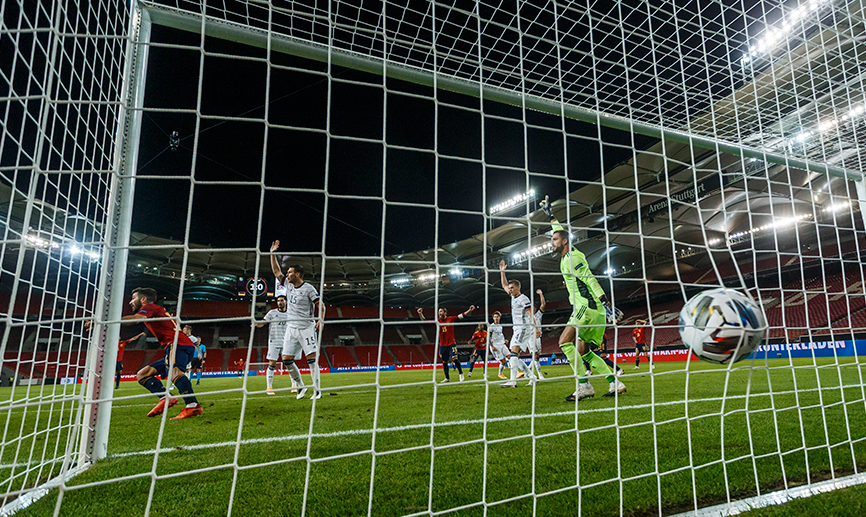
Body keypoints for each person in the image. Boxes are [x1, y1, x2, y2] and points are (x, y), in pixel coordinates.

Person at [540, 195, 626, 401]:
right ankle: (615, 382)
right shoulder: (567, 256)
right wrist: (551, 216)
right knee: (584, 351)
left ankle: (584, 385)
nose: (552, 243)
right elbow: (559, 231)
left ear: (564, 242)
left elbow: (591, 280)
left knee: (563, 342)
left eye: (554, 240)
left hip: (587, 307)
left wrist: (607, 304)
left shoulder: (573, 258)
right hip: (592, 309)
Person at [98, 287, 202, 419]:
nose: (131, 302)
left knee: (175, 371)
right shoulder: (159, 311)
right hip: (179, 344)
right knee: (142, 375)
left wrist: (107, 321)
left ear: (143, 299)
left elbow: (136, 319)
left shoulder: (150, 307)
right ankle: (166, 398)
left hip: (177, 344)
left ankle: (192, 405)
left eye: (133, 298)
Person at [271, 240, 324, 400]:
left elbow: (321, 305)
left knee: (312, 360)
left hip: (306, 328)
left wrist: (320, 320)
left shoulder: (309, 288)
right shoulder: (288, 285)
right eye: (287, 273)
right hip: (291, 328)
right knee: (286, 359)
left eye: (290, 272)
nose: (287, 274)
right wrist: (272, 254)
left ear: (298, 274)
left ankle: (317, 390)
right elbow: (276, 272)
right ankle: (301, 387)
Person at [498, 261, 538, 387]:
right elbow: (504, 284)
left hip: (523, 328)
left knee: (513, 352)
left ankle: (513, 381)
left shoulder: (523, 299)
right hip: (517, 329)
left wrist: (536, 328)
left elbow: (531, 313)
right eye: (509, 288)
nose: (509, 290)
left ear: (518, 288)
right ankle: (532, 376)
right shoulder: (512, 297)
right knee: (513, 355)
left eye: (512, 288)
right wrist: (502, 272)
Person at [255, 295, 302, 395]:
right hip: (274, 342)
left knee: (289, 363)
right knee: (272, 364)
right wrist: (256, 324)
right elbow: (263, 322)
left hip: (287, 342)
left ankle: (294, 385)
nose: (279, 302)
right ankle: (269, 388)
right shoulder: (272, 313)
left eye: (281, 300)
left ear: (286, 302)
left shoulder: (291, 313)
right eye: (278, 301)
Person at [416, 305, 475, 383]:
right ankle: (447, 378)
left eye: (440, 311)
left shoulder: (450, 319)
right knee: (445, 362)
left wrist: (469, 310)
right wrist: (420, 314)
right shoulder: (437, 321)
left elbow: (461, 316)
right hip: (443, 345)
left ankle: (461, 374)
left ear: (445, 312)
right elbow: (425, 321)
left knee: (454, 357)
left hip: (451, 344)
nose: (439, 313)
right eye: (438, 312)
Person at [528, 288, 546, 379]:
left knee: (537, 357)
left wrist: (541, 294)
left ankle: (527, 370)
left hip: (538, 337)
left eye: (533, 308)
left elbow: (543, 304)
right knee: (534, 355)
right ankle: (540, 375)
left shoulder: (538, 315)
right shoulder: (526, 317)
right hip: (530, 338)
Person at [487, 312, 511, 379]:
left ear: (499, 317)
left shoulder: (500, 326)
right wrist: (491, 346)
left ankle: (516, 372)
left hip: (502, 344)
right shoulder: (491, 327)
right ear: (493, 318)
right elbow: (488, 337)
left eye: (497, 317)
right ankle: (500, 374)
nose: (496, 318)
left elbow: (500, 335)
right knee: (503, 361)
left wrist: (504, 340)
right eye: (495, 317)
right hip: (495, 346)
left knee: (510, 356)